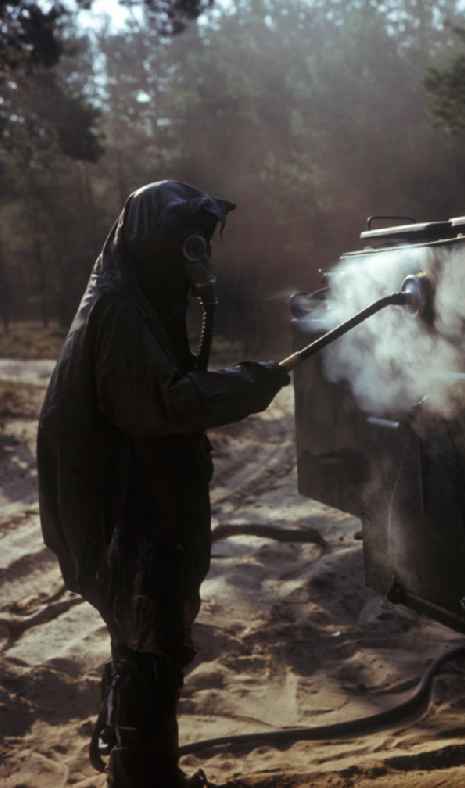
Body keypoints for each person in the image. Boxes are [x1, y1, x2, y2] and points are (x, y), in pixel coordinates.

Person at [36, 180, 291, 787]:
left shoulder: (137, 299)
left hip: (131, 507)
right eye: (186, 241)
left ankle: (143, 773)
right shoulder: (120, 311)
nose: (196, 256)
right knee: (150, 651)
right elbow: (163, 403)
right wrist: (250, 385)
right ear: (155, 243)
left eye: (202, 243)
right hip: (118, 517)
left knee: (146, 648)